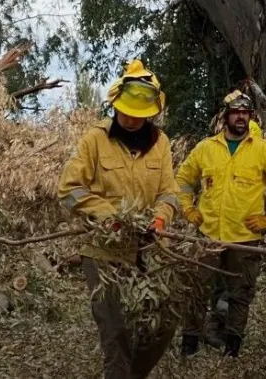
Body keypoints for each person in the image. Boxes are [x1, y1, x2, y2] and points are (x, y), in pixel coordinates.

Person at [57, 59, 181, 379]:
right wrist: (107, 216)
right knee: (116, 332)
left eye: (139, 114)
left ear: (151, 112)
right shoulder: (95, 139)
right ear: (116, 104)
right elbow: (68, 190)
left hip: (148, 249)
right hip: (102, 250)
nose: (130, 119)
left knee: (165, 320)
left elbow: (169, 193)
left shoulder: (161, 144)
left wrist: (160, 218)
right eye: (126, 111)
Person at [176, 89, 266, 357]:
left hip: (245, 238)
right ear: (226, 117)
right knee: (196, 290)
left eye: (246, 113)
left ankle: (232, 349)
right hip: (207, 235)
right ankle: (189, 345)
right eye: (236, 113)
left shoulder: (264, 149)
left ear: (251, 117)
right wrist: (188, 209)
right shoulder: (206, 148)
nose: (241, 118)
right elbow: (183, 180)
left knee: (240, 294)